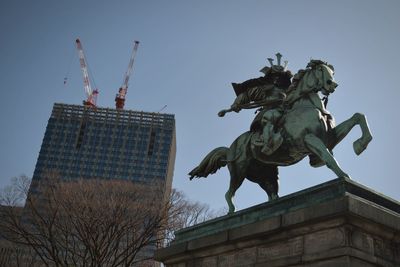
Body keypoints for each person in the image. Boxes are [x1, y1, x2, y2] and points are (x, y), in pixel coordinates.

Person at [229, 53, 292, 155]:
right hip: (269, 110)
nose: (277, 78)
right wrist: (236, 104)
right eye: (275, 76)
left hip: (286, 110)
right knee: (270, 116)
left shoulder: (290, 91)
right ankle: (268, 143)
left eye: (280, 76)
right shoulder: (264, 88)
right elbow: (247, 95)